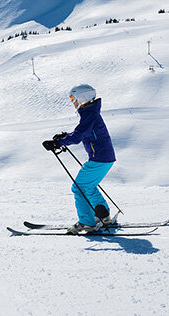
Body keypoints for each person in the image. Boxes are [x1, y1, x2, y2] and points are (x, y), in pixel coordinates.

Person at [43, 84, 118, 233]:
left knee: (78, 188)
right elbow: (81, 132)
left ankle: (86, 222)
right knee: (88, 187)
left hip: (100, 158)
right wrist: (64, 137)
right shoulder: (90, 113)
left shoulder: (89, 114)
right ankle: (104, 217)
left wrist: (58, 142)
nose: (73, 102)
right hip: (104, 157)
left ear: (82, 98)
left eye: (73, 98)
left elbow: (78, 135)